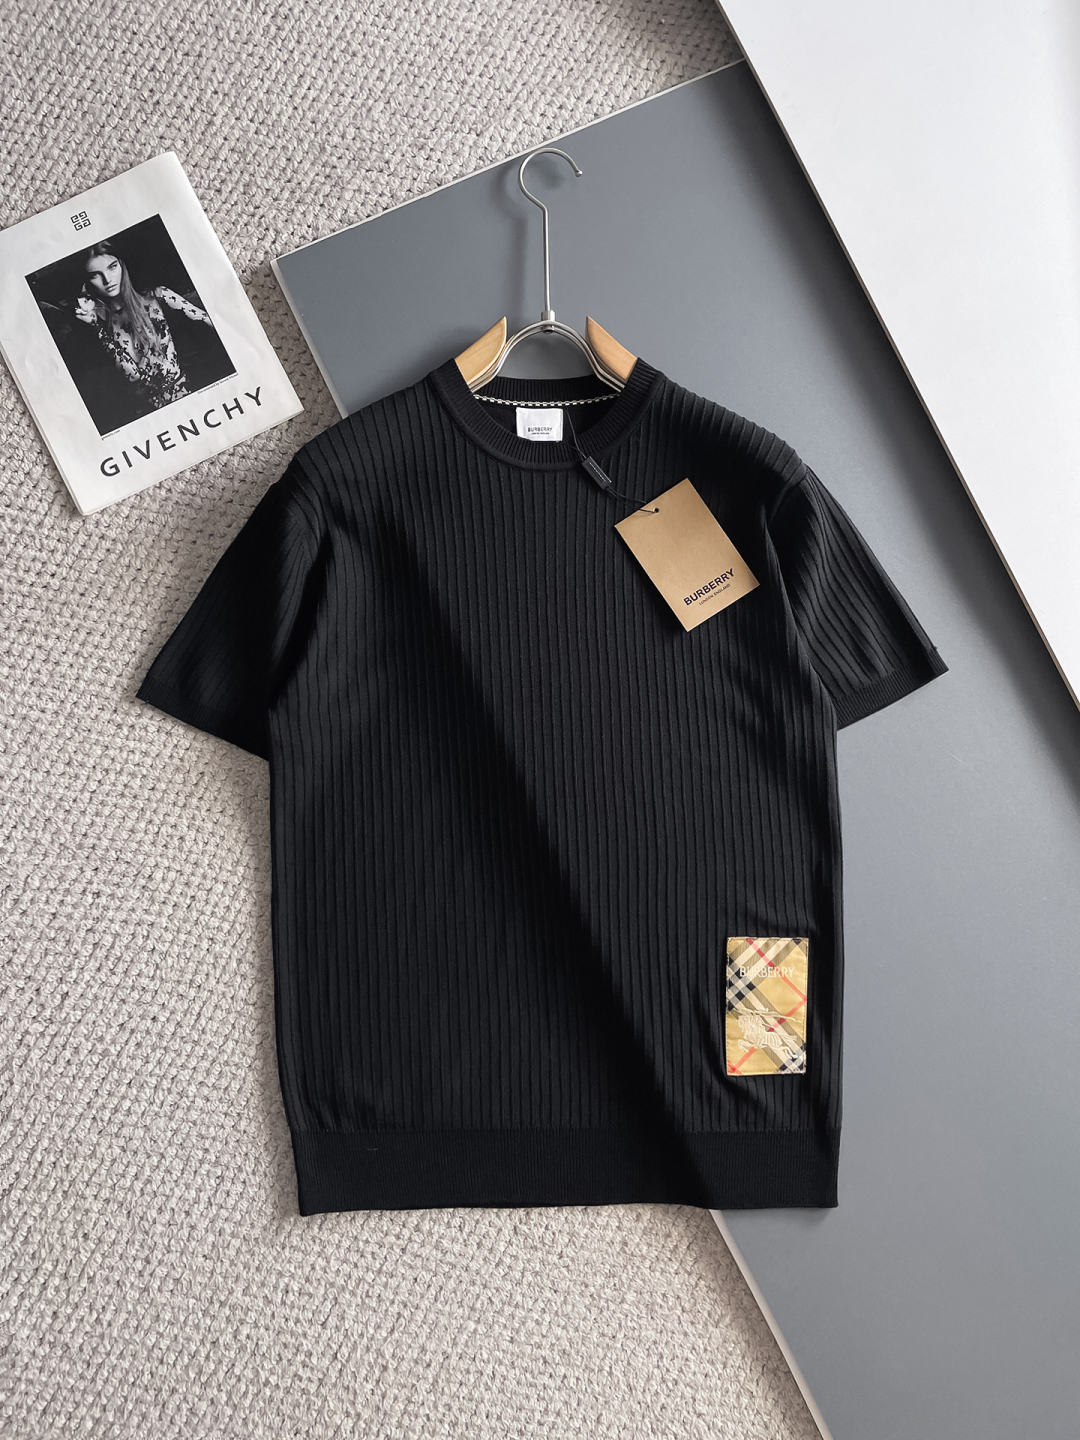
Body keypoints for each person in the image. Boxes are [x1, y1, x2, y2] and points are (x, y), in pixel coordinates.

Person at [73, 241, 214, 414]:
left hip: (187, 397)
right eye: (95, 275)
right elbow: (133, 375)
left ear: (122, 265)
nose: (107, 280)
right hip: (147, 413)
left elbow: (209, 320)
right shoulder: (98, 323)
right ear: (87, 283)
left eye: (112, 267)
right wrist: (97, 328)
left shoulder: (157, 297)